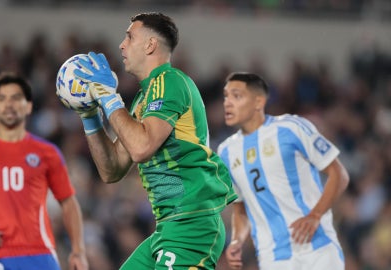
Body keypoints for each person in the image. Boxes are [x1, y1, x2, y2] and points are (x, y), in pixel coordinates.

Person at [70, 12, 237, 269]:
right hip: (168, 227)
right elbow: (111, 170)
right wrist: (90, 116)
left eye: (129, 37)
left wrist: (107, 96)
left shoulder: (170, 82)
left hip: (191, 225)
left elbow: (141, 148)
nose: (121, 45)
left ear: (150, 45)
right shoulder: (141, 101)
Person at [0, 72, 88, 270]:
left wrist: (78, 251)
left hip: (40, 254)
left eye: (16, 98)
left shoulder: (47, 152)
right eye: (1, 99)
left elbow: (69, 202)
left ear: (28, 106)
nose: (9, 104)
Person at [216, 72, 349, 270]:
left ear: (258, 101)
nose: (228, 103)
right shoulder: (226, 151)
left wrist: (315, 215)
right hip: (274, 258)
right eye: (226, 96)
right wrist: (237, 240)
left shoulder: (291, 128)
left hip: (317, 248)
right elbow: (240, 206)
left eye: (236, 96)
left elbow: (339, 174)